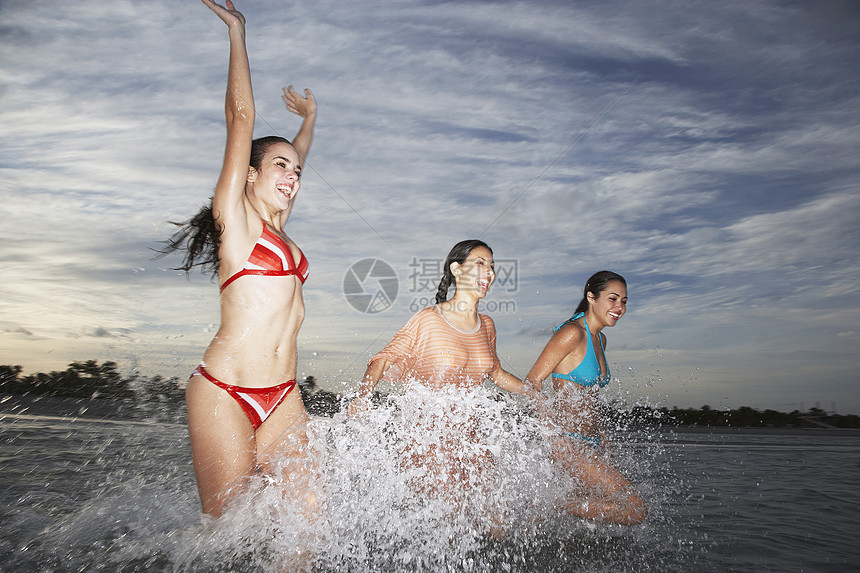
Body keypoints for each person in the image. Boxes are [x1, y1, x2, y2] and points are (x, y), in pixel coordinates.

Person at [163, 0, 317, 517]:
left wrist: (310, 121)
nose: (293, 176)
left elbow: (294, 154)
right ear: (249, 174)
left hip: (282, 393)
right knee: (225, 535)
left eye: (297, 170)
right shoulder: (236, 218)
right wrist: (237, 32)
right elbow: (241, 118)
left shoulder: (281, 232)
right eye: (280, 166)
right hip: (224, 390)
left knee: (309, 518)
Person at [348, 240, 536, 506]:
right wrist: (363, 397)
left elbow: (494, 371)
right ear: (457, 270)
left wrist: (533, 393)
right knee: (450, 526)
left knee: (498, 522)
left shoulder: (487, 325)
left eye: (492, 267)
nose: (489, 273)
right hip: (428, 444)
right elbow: (381, 359)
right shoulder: (428, 319)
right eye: (480, 264)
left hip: (471, 443)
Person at [524, 270, 646, 525]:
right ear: (591, 296)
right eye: (612, 299)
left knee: (594, 502)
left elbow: (589, 397)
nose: (619, 307)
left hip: (591, 443)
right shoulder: (572, 333)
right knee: (634, 509)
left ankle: (535, 524)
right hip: (569, 442)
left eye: (624, 301)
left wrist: (602, 437)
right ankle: (555, 504)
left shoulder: (600, 338)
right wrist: (554, 436)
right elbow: (532, 382)